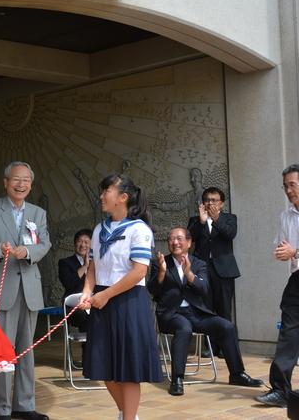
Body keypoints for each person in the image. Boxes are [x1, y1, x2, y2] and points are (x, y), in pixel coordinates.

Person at [78, 173, 161, 420]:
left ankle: (128, 417)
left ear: (123, 197)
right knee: (104, 366)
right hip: (103, 299)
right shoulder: (98, 229)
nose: (102, 196)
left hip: (129, 301)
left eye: (107, 191)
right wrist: (87, 292)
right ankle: (127, 414)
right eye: (102, 191)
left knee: (128, 370)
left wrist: (106, 295)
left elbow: (139, 272)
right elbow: (92, 268)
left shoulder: (139, 229)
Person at [0, 161, 51, 420]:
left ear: (31, 184)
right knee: (0, 352)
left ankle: (25, 405)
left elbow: (44, 244)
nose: (21, 184)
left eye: (26, 180)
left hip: (29, 288)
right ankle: (2, 409)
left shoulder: (38, 213)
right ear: (5, 182)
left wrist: (27, 251)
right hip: (0, 287)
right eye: (16, 179)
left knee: (26, 351)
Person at [147, 227, 263, 396]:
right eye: (171, 239)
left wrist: (189, 274)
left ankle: (237, 374)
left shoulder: (199, 263)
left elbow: (204, 289)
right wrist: (162, 273)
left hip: (197, 314)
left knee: (227, 326)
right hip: (172, 314)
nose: (174, 242)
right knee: (184, 328)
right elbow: (153, 290)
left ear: (189, 242)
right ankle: (177, 378)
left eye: (179, 239)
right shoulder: (161, 262)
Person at [255, 164, 299, 408]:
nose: (288, 190)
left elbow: (294, 250)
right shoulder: (285, 216)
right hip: (297, 279)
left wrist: (295, 251)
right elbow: (284, 247)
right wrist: (285, 253)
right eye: (285, 186)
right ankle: (281, 390)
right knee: (288, 333)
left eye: (292, 184)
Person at [187, 187, 239, 356]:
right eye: (207, 200)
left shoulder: (229, 218)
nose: (210, 203)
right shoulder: (195, 220)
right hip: (202, 269)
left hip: (224, 270)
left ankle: (225, 348)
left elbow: (230, 234)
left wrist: (215, 219)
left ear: (221, 203)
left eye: (214, 200)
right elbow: (190, 238)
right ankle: (210, 347)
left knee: (224, 309)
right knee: (206, 309)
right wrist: (202, 222)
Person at [57, 229, 92, 364]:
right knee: (87, 317)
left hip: (93, 303)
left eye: (86, 242)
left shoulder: (98, 262)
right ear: (74, 244)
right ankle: (89, 358)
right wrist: (85, 266)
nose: (83, 245)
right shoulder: (65, 263)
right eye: (79, 241)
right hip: (74, 308)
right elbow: (69, 284)